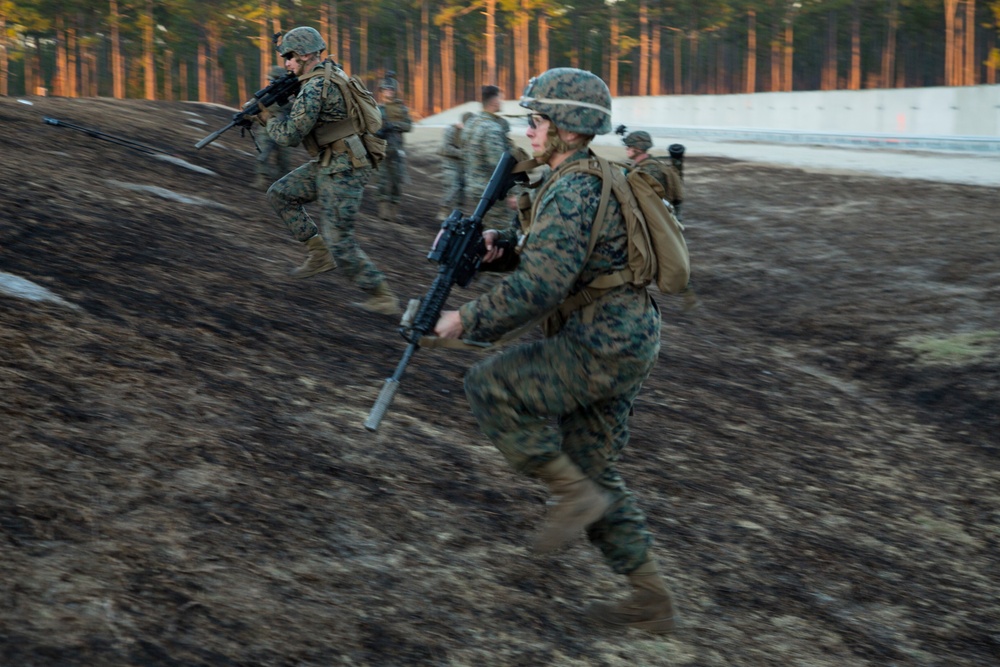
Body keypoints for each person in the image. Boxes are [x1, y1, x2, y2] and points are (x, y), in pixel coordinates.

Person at [433, 68, 676, 634]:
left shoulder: (572, 186)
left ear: (566, 128)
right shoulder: (583, 176)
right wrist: (507, 248)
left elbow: (541, 289)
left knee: (490, 385)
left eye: (537, 121)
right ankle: (652, 599)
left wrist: (461, 321)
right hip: (628, 334)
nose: (530, 130)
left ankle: (571, 498)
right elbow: (570, 255)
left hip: (603, 342)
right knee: (593, 470)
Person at [257, 26, 398, 314]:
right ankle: (318, 253)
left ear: (307, 55)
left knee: (340, 239)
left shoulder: (315, 87)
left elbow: (289, 136)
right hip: (331, 161)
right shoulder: (329, 72)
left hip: (345, 167)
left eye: (291, 57)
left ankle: (382, 294)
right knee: (281, 194)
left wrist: (267, 118)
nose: (287, 63)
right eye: (286, 57)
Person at [462, 85, 519, 231]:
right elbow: (500, 165)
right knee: (500, 232)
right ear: (494, 102)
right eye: (501, 99)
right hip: (490, 192)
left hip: (473, 186)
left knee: (483, 229)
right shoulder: (492, 129)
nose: (502, 102)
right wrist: (513, 193)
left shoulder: (471, 123)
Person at [374, 76, 413, 222]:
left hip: (396, 149)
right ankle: (383, 208)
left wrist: (394, 126)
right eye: (385, 89)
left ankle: (395, 210)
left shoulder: (401, 108)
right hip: (381, 148)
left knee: (397, 180)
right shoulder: (377, 108)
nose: (388, 91)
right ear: (382, 91)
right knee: (382, 180)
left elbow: (408, 126)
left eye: (391, 89)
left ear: (395, 90)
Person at [253, 66, 295, 191]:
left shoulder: (291, 94)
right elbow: (254, 106)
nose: (272, 83)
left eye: (275, 80)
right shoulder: (266, 94)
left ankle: (281, 181)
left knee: (284, 159)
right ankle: (262, 179)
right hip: (266, 128)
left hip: (284, 128)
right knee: (262, 154)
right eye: (271, 80)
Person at [623, 131, 684, 218]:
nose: (626, 149)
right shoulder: (648, 164)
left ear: (638, 149)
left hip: (656, 217)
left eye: (629, 146)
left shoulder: (649, 171)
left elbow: (647, 201)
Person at [438, 110, 473, 219]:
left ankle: (458, 214)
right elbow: (447, 148)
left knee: (462, 189)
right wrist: (462, 153)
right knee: (453, 186)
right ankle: (444, 208)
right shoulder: (452, 130)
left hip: (463, 164)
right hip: (450, 162)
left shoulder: (472, 133)